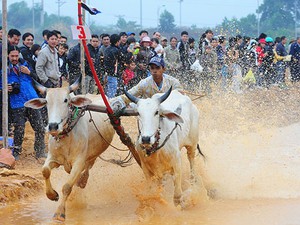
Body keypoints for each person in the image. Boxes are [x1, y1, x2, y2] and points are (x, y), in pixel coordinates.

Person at [0, 46, 46, 160]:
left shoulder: (26, 64)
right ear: (7, 56)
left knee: (40, 127)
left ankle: (40, 151)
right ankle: (16, 151)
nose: (15, 58)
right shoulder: (4, 70)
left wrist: (30, 72)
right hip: (17, 103)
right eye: (12, 56)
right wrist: (4, 88)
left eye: (16, 55)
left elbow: (38, 79)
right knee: (19, 128)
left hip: (32, 100)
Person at [111, 56, 182, 108]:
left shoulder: (173, 82)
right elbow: (129, 95)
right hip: (149, 114)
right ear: (149, 69)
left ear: (164, 69)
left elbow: (180, 98)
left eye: (157, 68)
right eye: (152, 68)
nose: (154, 71)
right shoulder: (144, 83)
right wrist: (112, 101)